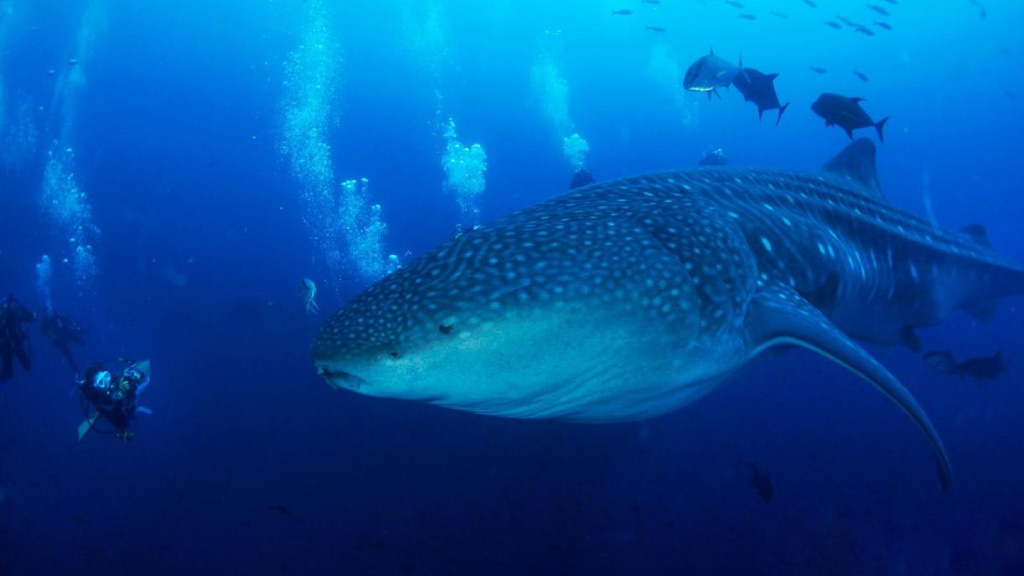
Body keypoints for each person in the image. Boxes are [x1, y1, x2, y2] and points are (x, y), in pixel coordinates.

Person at [78, 358, 151, 440]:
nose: (107, 381)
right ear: (96, 387)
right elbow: (118, 412)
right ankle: (140, 409)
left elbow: (118, 376)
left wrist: (127, 378)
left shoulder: (111, 379)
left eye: (106, 376)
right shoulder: (100, 400)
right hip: (122, 412)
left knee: (140, 380)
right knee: (133, 414)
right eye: (101, 382)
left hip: (122, 399)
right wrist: (122, 394)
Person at [0, 293, 37, 382]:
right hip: (11, 343)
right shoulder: (13, 310)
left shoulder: (6, 312)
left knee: (11, 370)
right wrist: (34, 315)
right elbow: (30, 318)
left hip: (8, 343)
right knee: (23, 365)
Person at [39, 309, 86, 375]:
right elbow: (43, 333)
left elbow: (68, 320)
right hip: (59, 339)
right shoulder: (46, 320)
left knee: (79, 341)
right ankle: (76, 370)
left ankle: (75, 370)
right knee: (68, 354)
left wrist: (73, 323)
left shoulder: (53, 317)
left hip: (63, 335)